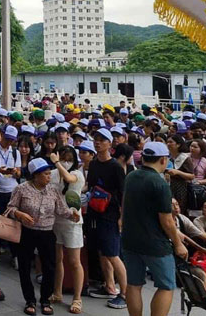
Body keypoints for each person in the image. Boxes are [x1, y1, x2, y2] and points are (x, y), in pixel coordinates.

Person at [121, 141, 187, 316]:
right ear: (164, 160)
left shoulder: (131, 177)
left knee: (134, 284)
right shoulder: (159, 183)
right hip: (155, 244)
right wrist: (178, 243)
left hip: (130, 240)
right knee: (166, 285)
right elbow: (166, 220)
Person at [9, 158, 81, 316]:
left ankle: (45, 299)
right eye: (46, 174)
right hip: (27, 232)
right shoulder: (21, 189)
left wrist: (72, 215)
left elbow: (62, 209)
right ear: (35, 175)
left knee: (50, 267)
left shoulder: (53, 190)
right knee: (25, 266)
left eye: (49, 173)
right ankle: (30, 300)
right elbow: (10, 208)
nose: (49, 177)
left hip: (47, 232)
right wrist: (20, 214)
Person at [86, 128, 128, 309]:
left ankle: (125, 294)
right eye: (96, 139)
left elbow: (124, 194)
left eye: (102, 140)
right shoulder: (94, 164)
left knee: (112, 253)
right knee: (103, 251)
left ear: (110, 144)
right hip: (95, 211)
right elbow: (91, 186)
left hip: (111, 214)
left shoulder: (116, 167)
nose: (97, 142)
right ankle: (109, 286)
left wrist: (122, 217)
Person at [48, 146, 85, 314]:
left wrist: (56, 162)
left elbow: (69, 178)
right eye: (62, 157)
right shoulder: (54, 173)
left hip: (72, 221)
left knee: (74, 261)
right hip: (56, 219)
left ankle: (77, 298)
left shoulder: (78, 173)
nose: (65, 160)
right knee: (57, 259)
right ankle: (57, 292)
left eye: (69, 158)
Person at [166, 135, 193, 213]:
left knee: (179, 209)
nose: (168, 144)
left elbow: (191, 176)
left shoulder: (185, 158)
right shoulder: (168, 157)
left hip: (181, 188)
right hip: (169, 186)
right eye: (167, 142)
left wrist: (178, 172)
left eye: (171, 142)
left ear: (178, 144)